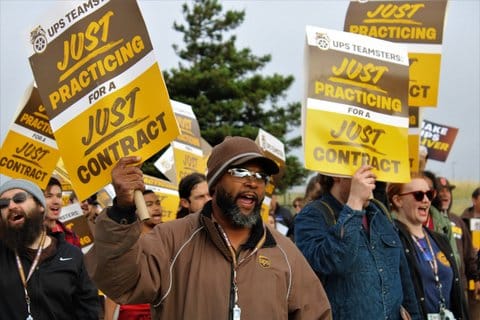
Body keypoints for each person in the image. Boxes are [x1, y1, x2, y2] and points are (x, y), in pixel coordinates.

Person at [86, 136, 332, 320]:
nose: (252, 182)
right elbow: (118, 283)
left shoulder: (284, 252)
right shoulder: (171, 240)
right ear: (214, 184)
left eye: (260, 177)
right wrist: (121, 211)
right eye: (240, 172)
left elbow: (316, 314)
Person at [295, 166, 420, 320]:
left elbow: (404, 281)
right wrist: (354, 203)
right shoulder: (313, 216)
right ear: (337, 175)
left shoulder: (379, 213)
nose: (371, 175)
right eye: (361, 170)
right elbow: (333, 262)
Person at [0, 178, 99, 319]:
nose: (10, 206)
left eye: (19, 198)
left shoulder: (73, 255)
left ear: (40, 206)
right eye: (3, 204)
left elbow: (88, 311)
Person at [387, 175, 469, 319]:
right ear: (398, 200)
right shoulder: (391, 240)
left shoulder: (440, 239)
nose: (426, 200)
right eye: (418, 195)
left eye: (429, 194)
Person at [104, 189, 164, 320]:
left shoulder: (169, 239)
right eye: (149, 204)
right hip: (132, 313)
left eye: (157, 203)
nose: (156, 208)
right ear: (137, 210)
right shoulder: (126, 244)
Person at [434, 178, 480, 320]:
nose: (445, 194)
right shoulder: (429, 219)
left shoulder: (458, 221)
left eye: (448, 191)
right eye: (441, 191)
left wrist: (476, 278)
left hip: (461, 286)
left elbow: (469, 254)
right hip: (438, 288)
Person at [43, 176, 81, 247]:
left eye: (59, 196)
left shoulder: (71, 236)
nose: (56, 201)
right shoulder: (26, 237)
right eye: (49, 196)